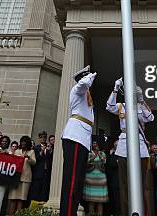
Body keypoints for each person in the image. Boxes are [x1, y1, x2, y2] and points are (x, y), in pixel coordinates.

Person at [106, 79, 154, 216]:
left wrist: (142, 100)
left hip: (140, 143)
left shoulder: (140, 106)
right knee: (124, 184)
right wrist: (115, 88)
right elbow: (109, 106)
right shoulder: (122, 106)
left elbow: (151, 118)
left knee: (144, 183)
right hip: (124, 145)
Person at [60, 66, 97, 216]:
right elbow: (82, 85)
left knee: (78, 182)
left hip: (82, 138)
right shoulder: (77, 90)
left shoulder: (86, 97)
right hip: (75, 136)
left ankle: (71, 212)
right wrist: (89, 77)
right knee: (72, 181)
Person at [8, 136, 36, 215]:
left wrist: (28, 158)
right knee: (13, 198)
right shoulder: (17, 151)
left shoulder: (31, 152)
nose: (23, 143)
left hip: (26, 178)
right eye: (22, 141)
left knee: (21, 199)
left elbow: (34, 163)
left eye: (25, 142)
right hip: (16, 177)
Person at [83, 139, 108, 216]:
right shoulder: (89, 153)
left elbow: (104, 161)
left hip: (101, 178)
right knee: (91, 198)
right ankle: (91, 213)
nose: (94, 144)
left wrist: (99, 154)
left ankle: (100, 213)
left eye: (95, 143)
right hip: (90, 178)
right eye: (93, 143)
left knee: (100, 199)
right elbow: (87, 162)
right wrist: (94, 156)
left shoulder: (102, 153)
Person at [29, 131, 52, 203]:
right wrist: (41, 152)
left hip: (46, 173)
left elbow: (51, 160)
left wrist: (50, 152)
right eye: (41, 137)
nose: (43, 139)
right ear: (39, 138)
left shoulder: (49, 147)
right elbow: (36, 160)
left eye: (44, 137)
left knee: (44, 192)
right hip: (38, 173)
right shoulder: (36, 148)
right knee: (36, 191)